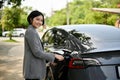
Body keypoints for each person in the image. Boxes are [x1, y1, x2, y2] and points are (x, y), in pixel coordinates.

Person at [23, 10, 64, 80]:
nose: (40, 22)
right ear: (31, 19)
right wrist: (54, 56)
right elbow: (37, 52)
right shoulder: (31, 32)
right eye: (37, 19)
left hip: (33, 69)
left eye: (41, 20)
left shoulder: (32, 30)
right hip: (33, 71)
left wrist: (49, 61)